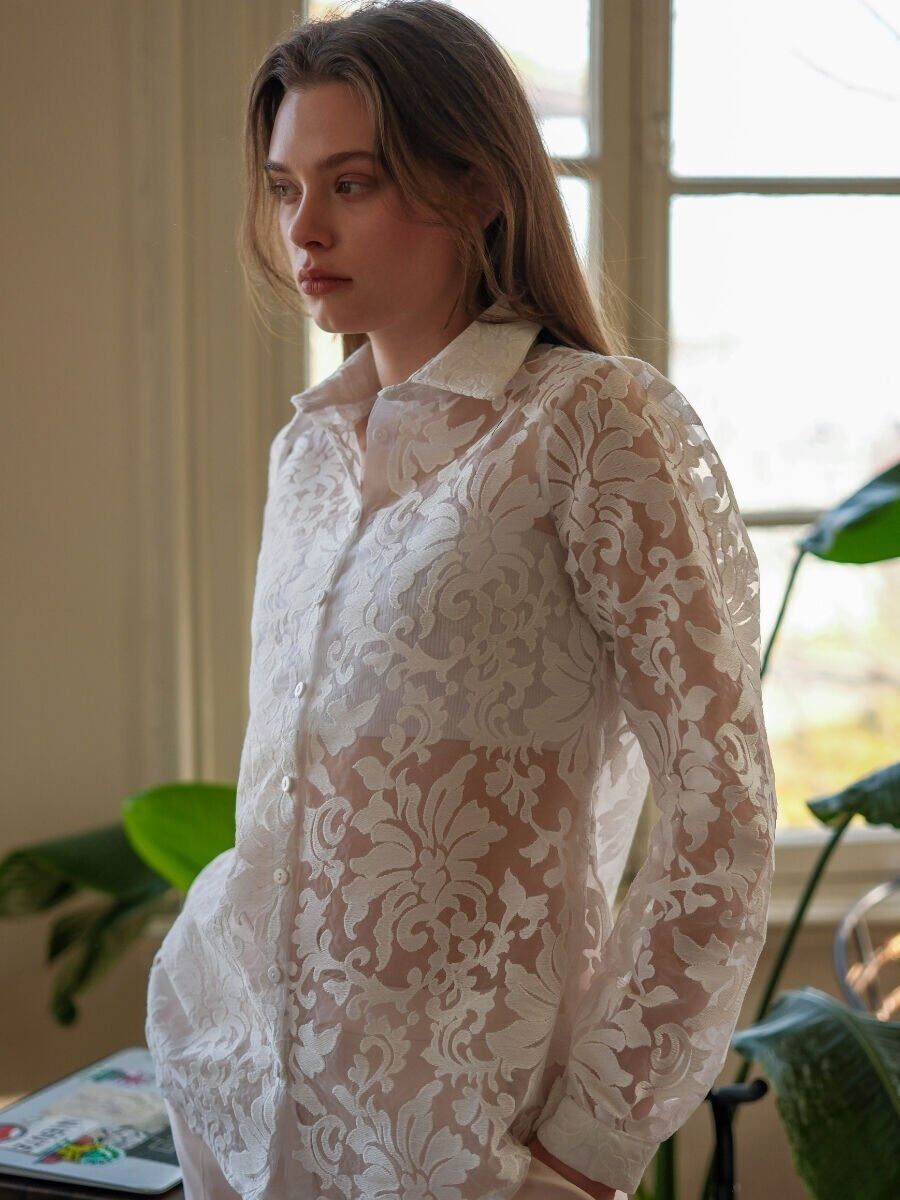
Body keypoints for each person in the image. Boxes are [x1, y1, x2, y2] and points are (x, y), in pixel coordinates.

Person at [145, 2, 778, 1198]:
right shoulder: (307, 455)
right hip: (240, 1113)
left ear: (479, 187)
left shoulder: (591, 424)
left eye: (352, 183)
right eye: (284, 188)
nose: (304, 228)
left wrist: (587, 1152)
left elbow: (723, 811)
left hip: (467, 1143)